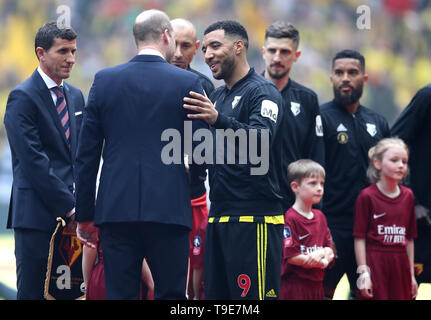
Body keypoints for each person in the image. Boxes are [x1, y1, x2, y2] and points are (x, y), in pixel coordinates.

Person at [75, 9, 207, 300]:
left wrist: (85, 215)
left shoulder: (104, 80)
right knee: (172, 295)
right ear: (166, 36)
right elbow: (201, 150)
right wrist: (192, 183)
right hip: (169, 209)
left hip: (116, 209)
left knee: (121, 294)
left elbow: (86, 156)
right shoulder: (187, 83)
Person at [183, 20, 285, 300]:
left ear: (239, 47)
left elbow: (260, 142)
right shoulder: (216, 96)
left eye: (215, 46)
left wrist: (218, 120)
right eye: (204, 49)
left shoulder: (262, 92)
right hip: (219, 215)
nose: (207, 55)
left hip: (255, 219)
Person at [3, 22, 84, 300]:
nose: (71, 58)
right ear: (41, 53)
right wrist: (72, 208)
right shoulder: (21, 97)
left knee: (69, 294)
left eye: (73, 51)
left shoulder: (76, 96)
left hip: (73, 218)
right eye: (63, 51)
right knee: (34, 293)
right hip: (37, 217)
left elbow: (81, 155)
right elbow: (34, 162)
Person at [320, 49, 390, 298]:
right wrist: (321, 227)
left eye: (352, 72)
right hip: (332, 227)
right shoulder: (320, 118)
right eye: (339, 73)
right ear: (331, 78)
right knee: (321, 293)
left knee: (366, 293)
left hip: (370, 229)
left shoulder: (378, 122)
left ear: (365, 78)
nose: (345, 78)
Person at [169, 18, 213, 300]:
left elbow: (215, 141)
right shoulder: (143, 80)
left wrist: (193, 157)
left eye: (186, 46)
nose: (178, 52)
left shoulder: (204, 86)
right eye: (173, 44)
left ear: (196, 48)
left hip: (194, 194)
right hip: (154, 196)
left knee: (195, 279)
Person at [262, 21, 324, 211]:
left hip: (294, 206)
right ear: (263, 52)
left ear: (296, 55)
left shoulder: (308, 99)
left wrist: (315, 208)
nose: (277, 57)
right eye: (272, 51)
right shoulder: (246, 93)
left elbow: (315, 155)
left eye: (285, 52)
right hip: (255, 203)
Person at [353, 138, 417, 299]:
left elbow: (409, 239)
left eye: (404, 161)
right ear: (377, 163)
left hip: (400, 263)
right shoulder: (366, 196)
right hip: (376, 262)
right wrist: (363, 273)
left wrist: (411, 276)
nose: (401, 165)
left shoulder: (408, 196)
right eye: (394, 160)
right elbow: (359, 238)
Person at [391, 84, 431, 285]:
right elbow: (395, 143)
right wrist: (411, 198)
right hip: (423, 216)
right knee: (407, 284)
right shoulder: (427, 96)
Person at [281, 159, 334, 300]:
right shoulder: (290, 218)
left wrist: (324, 253)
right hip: (295, 287)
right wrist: (319, 260)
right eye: (313, 183)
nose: (319, 188)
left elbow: (329, 249)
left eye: (322, 183)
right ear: (295, 187)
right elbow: (291, 257)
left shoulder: (320, 216)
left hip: (317, 286)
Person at [82, 231, 154, 300]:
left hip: (105, 275)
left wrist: (87, 285)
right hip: (129, 274)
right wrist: (150, 283)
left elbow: (89, 247)